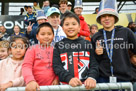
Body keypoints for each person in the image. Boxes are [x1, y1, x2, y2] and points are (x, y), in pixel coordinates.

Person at [91, 0, 136, 85]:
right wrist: (97, 54)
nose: (107, 18)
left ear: (115, 17)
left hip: (124, 79)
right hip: (102, 79)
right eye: (103, 16)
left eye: (110, 15)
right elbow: (93, 61)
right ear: (100, 19)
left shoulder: (126, 32)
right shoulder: (96, 36)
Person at [53, 12, 99, 90]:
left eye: (74, 24)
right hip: (66, 87)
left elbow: (94, 64)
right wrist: (69, 78)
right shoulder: (58, 45)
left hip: (86, 87)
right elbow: (57, 67)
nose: (70, 27)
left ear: (79, 27)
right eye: (67, 24)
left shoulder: (88, 44)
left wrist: (91, 77)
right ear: (63, 28)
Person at [22, 23, 59, 91]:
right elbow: (26, 66)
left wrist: (57, 78)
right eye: (43, 34)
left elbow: (59, 66)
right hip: (34, 87)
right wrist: (30, 81)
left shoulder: (56, 50)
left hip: (53, 87)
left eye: (49, 34)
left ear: (53, 36)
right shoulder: (32, 49)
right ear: (37, 36)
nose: (46, 36)